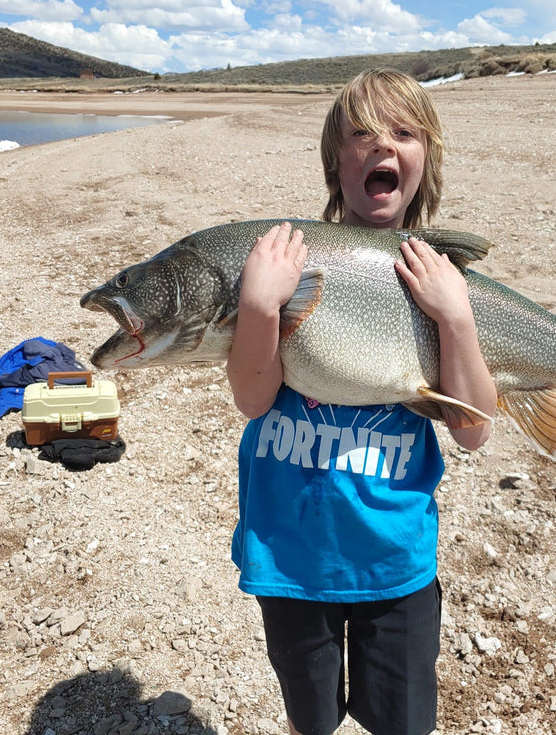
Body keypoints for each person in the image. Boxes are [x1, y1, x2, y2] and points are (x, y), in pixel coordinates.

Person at [225, 69, 497, 735]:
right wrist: (260, 304)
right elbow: (254, 399)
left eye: (403, 133)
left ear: (424, 158)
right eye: (361, 134)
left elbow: (472, 430)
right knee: (309, 721)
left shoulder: (442, 277)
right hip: (289, 555)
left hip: (396, 562)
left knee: (401, 724)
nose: (382, 146)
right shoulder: (287, 262)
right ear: (335, 163)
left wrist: (456, 318)